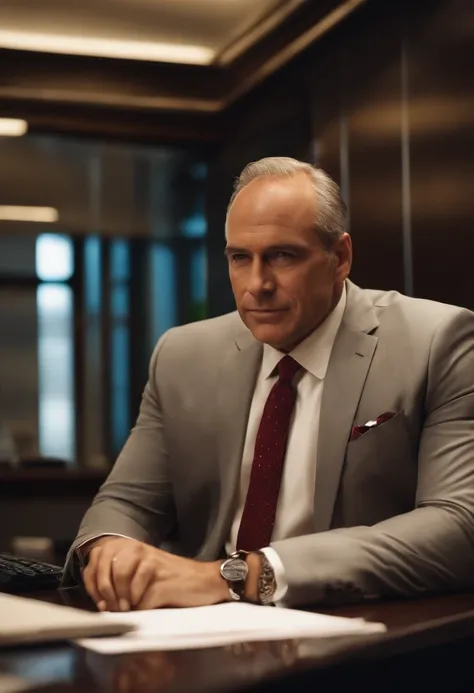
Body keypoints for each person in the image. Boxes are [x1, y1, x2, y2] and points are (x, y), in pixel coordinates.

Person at [64, 157, 474, 612]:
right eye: (240, 258)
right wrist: (111, 553)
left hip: (357, 623)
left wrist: (243, 576)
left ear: (339, 258)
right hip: (199, 627)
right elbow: (128, 502)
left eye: (283, 256)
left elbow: (460, 524)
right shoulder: (183, 355)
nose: (256, 284)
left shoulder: (437, 341)